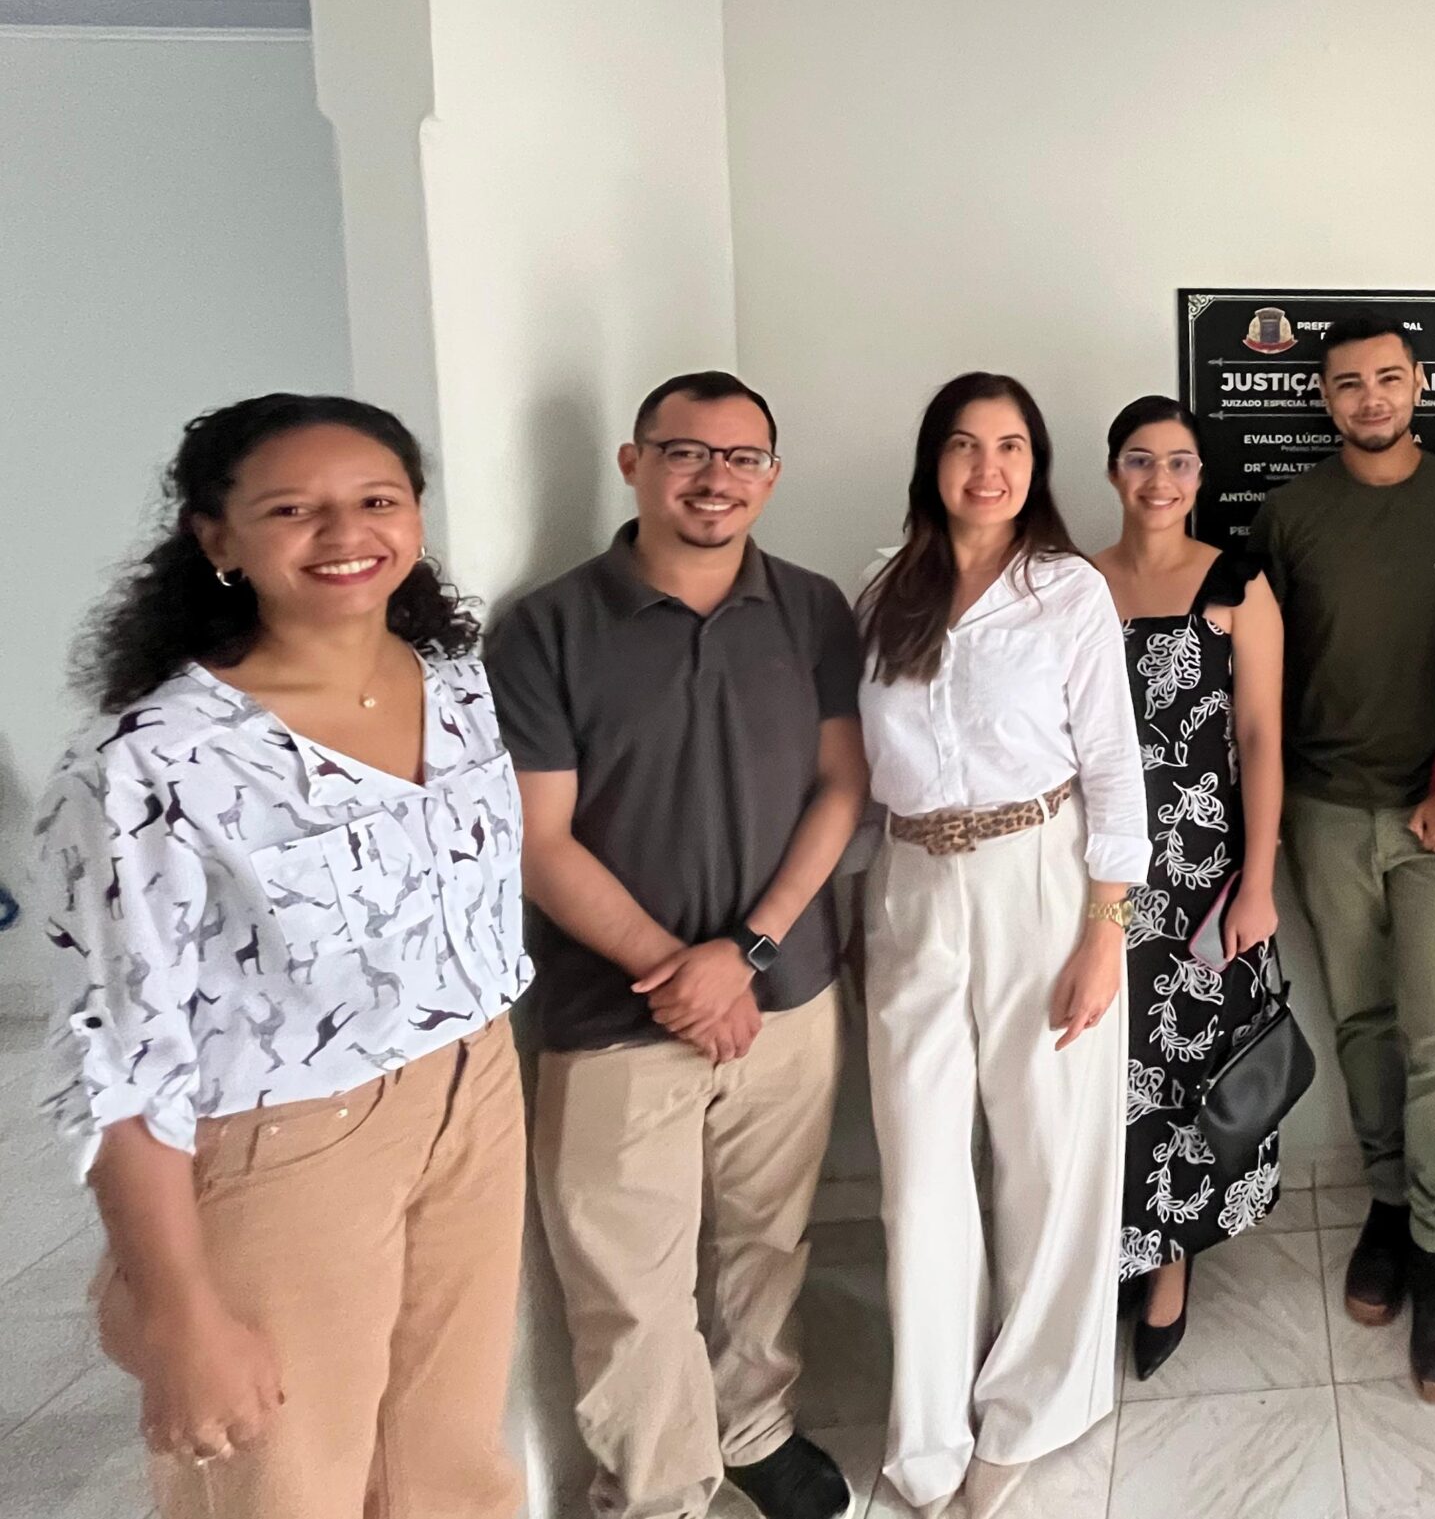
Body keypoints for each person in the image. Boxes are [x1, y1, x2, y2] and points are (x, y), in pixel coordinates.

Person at [35, 394, 530, 1519]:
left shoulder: (454, 684)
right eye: (293, 509)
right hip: (291, 1144)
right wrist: (177, 1311)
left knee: (450, 1468)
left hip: (475, 1091)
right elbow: (116, 1058)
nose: (346, 532)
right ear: (219, 537)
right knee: (282, 1480)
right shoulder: (150, 762)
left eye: (377, 500)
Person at [487, 371, 864, 1519]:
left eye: (742, 457)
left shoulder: (811, 609)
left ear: (771, 476)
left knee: (767, 1241)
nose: (715, 478)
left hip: (787, 992)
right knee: (627, 1284)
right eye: (686, 452)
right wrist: (681, 970)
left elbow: (840, 785)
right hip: (615, 1014)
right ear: (634, 463)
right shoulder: (547, 626)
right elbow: (538, 839)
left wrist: (744, 951)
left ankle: (755, 1428)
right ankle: (659, 1490)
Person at [858, 372, 1148, 1513]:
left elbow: (1114, 761)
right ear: (932, 460)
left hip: (1043, 874)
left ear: (1037, 464)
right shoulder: (882, 591)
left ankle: (1032, 1406)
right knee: (919, 1168)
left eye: (1013, 446)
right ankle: (928, 1430)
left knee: (1047, 1153)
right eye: (967, 445)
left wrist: (1104, 930)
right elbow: (856, 766)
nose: (989, 468)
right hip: (911, 883)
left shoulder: (1066, 590)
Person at [1248, 311, 1435, 1402]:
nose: (1371, 398)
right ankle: (1393, 1206)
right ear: (1324, 397)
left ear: (1419, 386)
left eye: (1388, 379)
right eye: (1349, 383)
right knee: (1361, 1022)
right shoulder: (1288, 514)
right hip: (1322, 809)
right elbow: (1263, 676)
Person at [1089, 395, 1290, 1382]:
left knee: (1186, 1069)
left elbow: (1260, 737)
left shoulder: (1237, 583)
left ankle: (1170, 1262)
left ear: (1201, 477)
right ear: (1113, 471)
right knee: (1104, 1069)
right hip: (1097, 873)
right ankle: (1112, 1248)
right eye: (1139, 459)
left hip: (1204, 872)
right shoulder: (1075, 583)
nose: (1158, 480)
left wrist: (1259, 882)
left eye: (1177, 462)